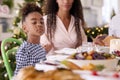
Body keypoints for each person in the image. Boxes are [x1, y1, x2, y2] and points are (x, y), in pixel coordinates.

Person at [14, 3, 46, 75]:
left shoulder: (39, 46)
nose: (39, 24)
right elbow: (22, 77)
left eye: (42, 22)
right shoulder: (24, 51)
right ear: (25, 28)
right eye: (34, 22)